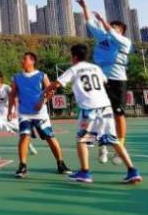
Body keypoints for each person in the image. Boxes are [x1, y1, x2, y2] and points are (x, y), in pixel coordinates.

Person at [43, 44, 142, 184]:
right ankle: (132, 171)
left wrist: (42, 93)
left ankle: (85, 172)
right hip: (105, 108)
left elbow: (57, 84)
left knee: (82, 140)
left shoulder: (74, 69)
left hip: (89, 109)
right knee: (114, 140)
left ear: (74, 57)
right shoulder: (96, 68)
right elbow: (104, 82)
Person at [77, 0, 132, 165]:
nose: (111, 28)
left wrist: (102, 19)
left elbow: (109, 30)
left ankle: (119, 146)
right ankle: (102, 146)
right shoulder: (102, 37)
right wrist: (85, 6)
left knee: (118, 115)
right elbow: (89, 23)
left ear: (121, 31)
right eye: (111, 26)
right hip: (101, 80)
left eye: (115, 27)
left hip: (117, 81)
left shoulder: (124, 42)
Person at [8, 52, 71, 178]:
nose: (22, 61)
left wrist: (42, 101)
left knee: (50, 137)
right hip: (24, 114)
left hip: (40, 113)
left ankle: (61, 164)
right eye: (22, 59)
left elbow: (51, 91)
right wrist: (10, 111)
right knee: (24, 136)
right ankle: (22, 166)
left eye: (25, 59)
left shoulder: (42, 75)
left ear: (32, 61)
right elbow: (12, 95)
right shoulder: (16, 77)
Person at [0, 70, 37, 160]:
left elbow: (15, 99)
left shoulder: (6, 88)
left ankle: (29, 144)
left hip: (10, 115)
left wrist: (15, 112)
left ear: (0, 78)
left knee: (21, 132)